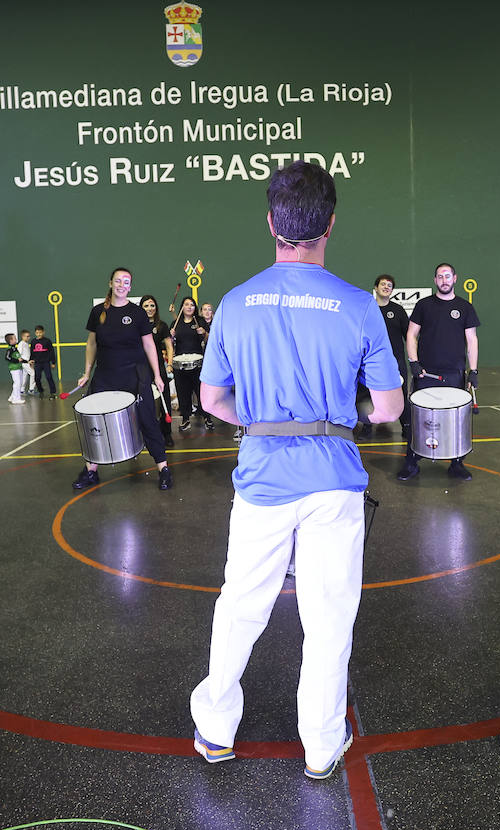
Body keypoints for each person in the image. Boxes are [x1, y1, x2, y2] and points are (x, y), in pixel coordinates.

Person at [189, 161, 402, 780]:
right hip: (335, 482)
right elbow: (388, 407)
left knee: (241, 606)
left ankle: (216, 727)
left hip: (261, 480)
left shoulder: (233, 303)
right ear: (331, 223)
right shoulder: (360, 306)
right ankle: (320, 746)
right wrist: (348, 417)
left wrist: (255, 422)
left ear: (271, 222)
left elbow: (209, 400)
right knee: (328, 615)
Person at [72, 268, 173, 491]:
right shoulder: (98, 312)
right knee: (94, 421)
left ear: (130, 286)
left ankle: (163, 468)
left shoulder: (137, 313)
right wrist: (87, 372)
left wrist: (157, 375)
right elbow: (92, 344)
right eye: (118, 281)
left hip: (135, 374)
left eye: (126, 282)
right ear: (110, 283)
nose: (121, 285)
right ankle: (91, 471)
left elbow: (148, 345)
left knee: (147, 419)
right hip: (106, 374)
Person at [398, 263, 480, 481]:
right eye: (440, 277)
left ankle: (457, 463)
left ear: (455, 278)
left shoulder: (465, 307)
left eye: (447, 276)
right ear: (435, 280)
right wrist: (413, 363)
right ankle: (411, 462)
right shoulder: (424, 305)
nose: (444, 280)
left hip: (454, 373)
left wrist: (474, 371)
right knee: (419, 418)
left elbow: (471, 340)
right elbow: (411, 334)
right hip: (425, 373)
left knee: (457, 419)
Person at [357, 273, 410, 441]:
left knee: (401, 394)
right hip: (371, 363)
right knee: (367, 394)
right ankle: (367, 427)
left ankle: (407, 427)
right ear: (375, 287)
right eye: (383, 284)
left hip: (396, 362)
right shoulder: (367, 309)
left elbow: (409, 336)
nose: (386, 287)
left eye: (390, 285)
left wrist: (413, 359)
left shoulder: (398, 310)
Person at [171, 296, 212, 432]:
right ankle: (186, 419)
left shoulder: (199, 321)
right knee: (183, 393)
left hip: (198, 364)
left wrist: (204, 333)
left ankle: (207, 418)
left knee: (201, 392)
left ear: (195, 308)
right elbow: (170, 344)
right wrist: (171, 337)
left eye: (192, 305)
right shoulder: (176, 323)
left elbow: (209, 339)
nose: (189, 307)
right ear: (182, 307)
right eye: (186, 304)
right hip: (180, 365)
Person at [141, 294, 176, 449]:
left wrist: (169, 364)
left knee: (164, 402)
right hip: (141, 368)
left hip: (159, 368)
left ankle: (167, 434)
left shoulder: (161, 326)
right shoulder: (137, 325)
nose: (150, 308)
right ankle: (147, 435)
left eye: (152, 305)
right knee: (145, 402)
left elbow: (169, 346)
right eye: (146, 306)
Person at [30, 325, 57, 399]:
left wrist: (53, 362)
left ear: (43, 332)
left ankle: (53, 392)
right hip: (37, 363)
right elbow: (32, 352)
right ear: (35, 333)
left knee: (49, 377)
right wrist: (31, 360)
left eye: (40, 332)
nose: (39, 334)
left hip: (46, 362)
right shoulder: (33, 342)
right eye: (37, 332)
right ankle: (40, 391)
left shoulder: (47, 341)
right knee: (37, 378)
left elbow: (51, 352)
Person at [4, 333, 26, 404]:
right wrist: (16, 361)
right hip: (14, 368)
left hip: (18, 367)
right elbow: (7, 357)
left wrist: (28, 362)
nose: (16, 339)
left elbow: (19, 358)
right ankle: (16, 399)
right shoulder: (10, 349)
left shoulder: (15, 349)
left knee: (19, 382)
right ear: (10, 341)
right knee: (17, 383)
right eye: (14, 338)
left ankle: (12, 397)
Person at [18, 329, 35, 395]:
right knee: (33, 374)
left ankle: (22, 390)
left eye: (29, 336)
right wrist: (27, 361)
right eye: (27, 336)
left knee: (25, 376)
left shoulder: (26, 344)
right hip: (25, 363)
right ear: (22, 336)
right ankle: (31, 389)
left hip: (27, 363)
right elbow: (19, 355)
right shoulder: (21, 344)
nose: (28, 337)